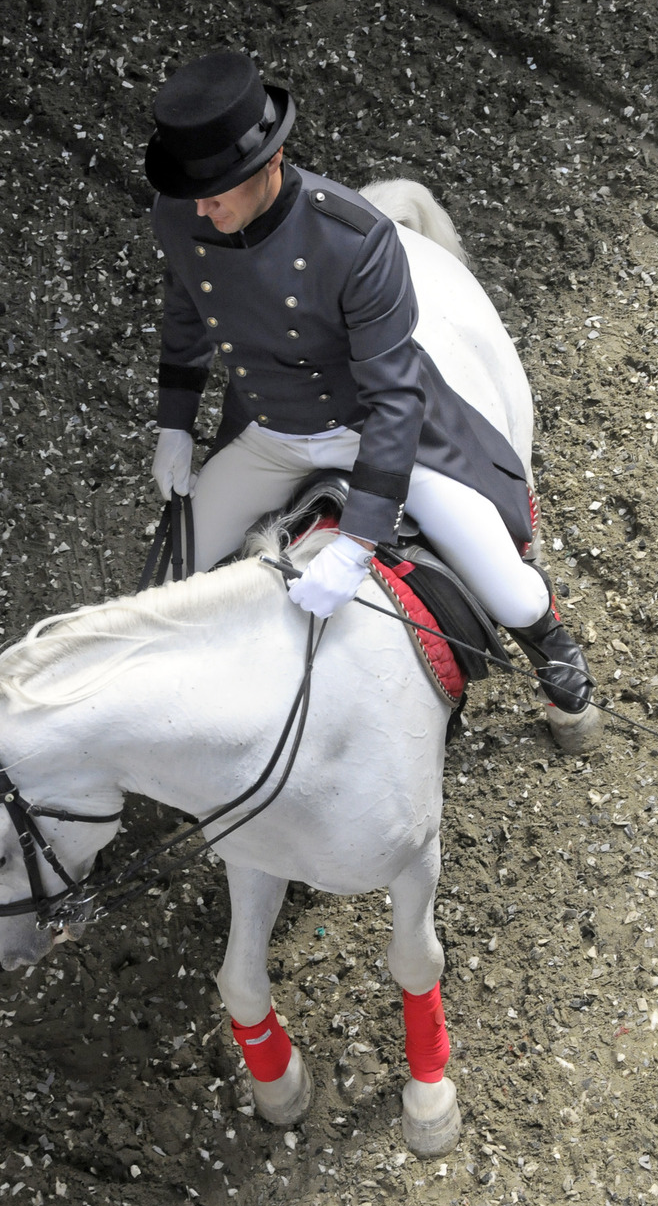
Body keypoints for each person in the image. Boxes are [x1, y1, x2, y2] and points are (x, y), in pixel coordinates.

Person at [143, 50, 597, 734]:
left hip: (376, 437)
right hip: (269, 435)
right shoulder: (182, 215)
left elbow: (394, 399)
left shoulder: (356, 239)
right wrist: (174, 424)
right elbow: (186, 315)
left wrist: (358, 542)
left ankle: (559, 664)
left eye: (216, 193)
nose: (202, 210)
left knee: (510, 592)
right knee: (160, 594)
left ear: (271, 160)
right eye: (194, 194)